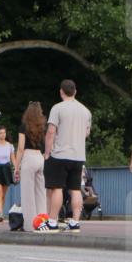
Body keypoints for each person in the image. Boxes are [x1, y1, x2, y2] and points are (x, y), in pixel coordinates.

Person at [41, 80, 91, 233]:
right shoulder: (85, 111)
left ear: (61, 91)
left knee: (57, 188)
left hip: (60, 154)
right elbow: (87, 133)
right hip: (78, 156)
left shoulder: (58, 108)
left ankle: (52, 221)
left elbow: (51, 132)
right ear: (75, 92)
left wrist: (47, 152)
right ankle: (75, 222)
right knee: (75, 189)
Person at [14, 102, 47, 229]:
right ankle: (43, 221)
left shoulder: (23, 127)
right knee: (41, 193)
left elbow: (21, 148)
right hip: (40, 157)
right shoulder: (42, 127)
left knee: (28, 194)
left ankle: (30, 225)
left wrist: (17, 166)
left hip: (28, 157)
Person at [0, 127, 15, 222]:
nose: (2, 134)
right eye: (0, 133)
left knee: (3, 195)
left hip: (6, 169)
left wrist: (17, 169)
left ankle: (0, 211)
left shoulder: (10, 146)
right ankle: (0, 214)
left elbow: (13, 158)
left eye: (4, 133)